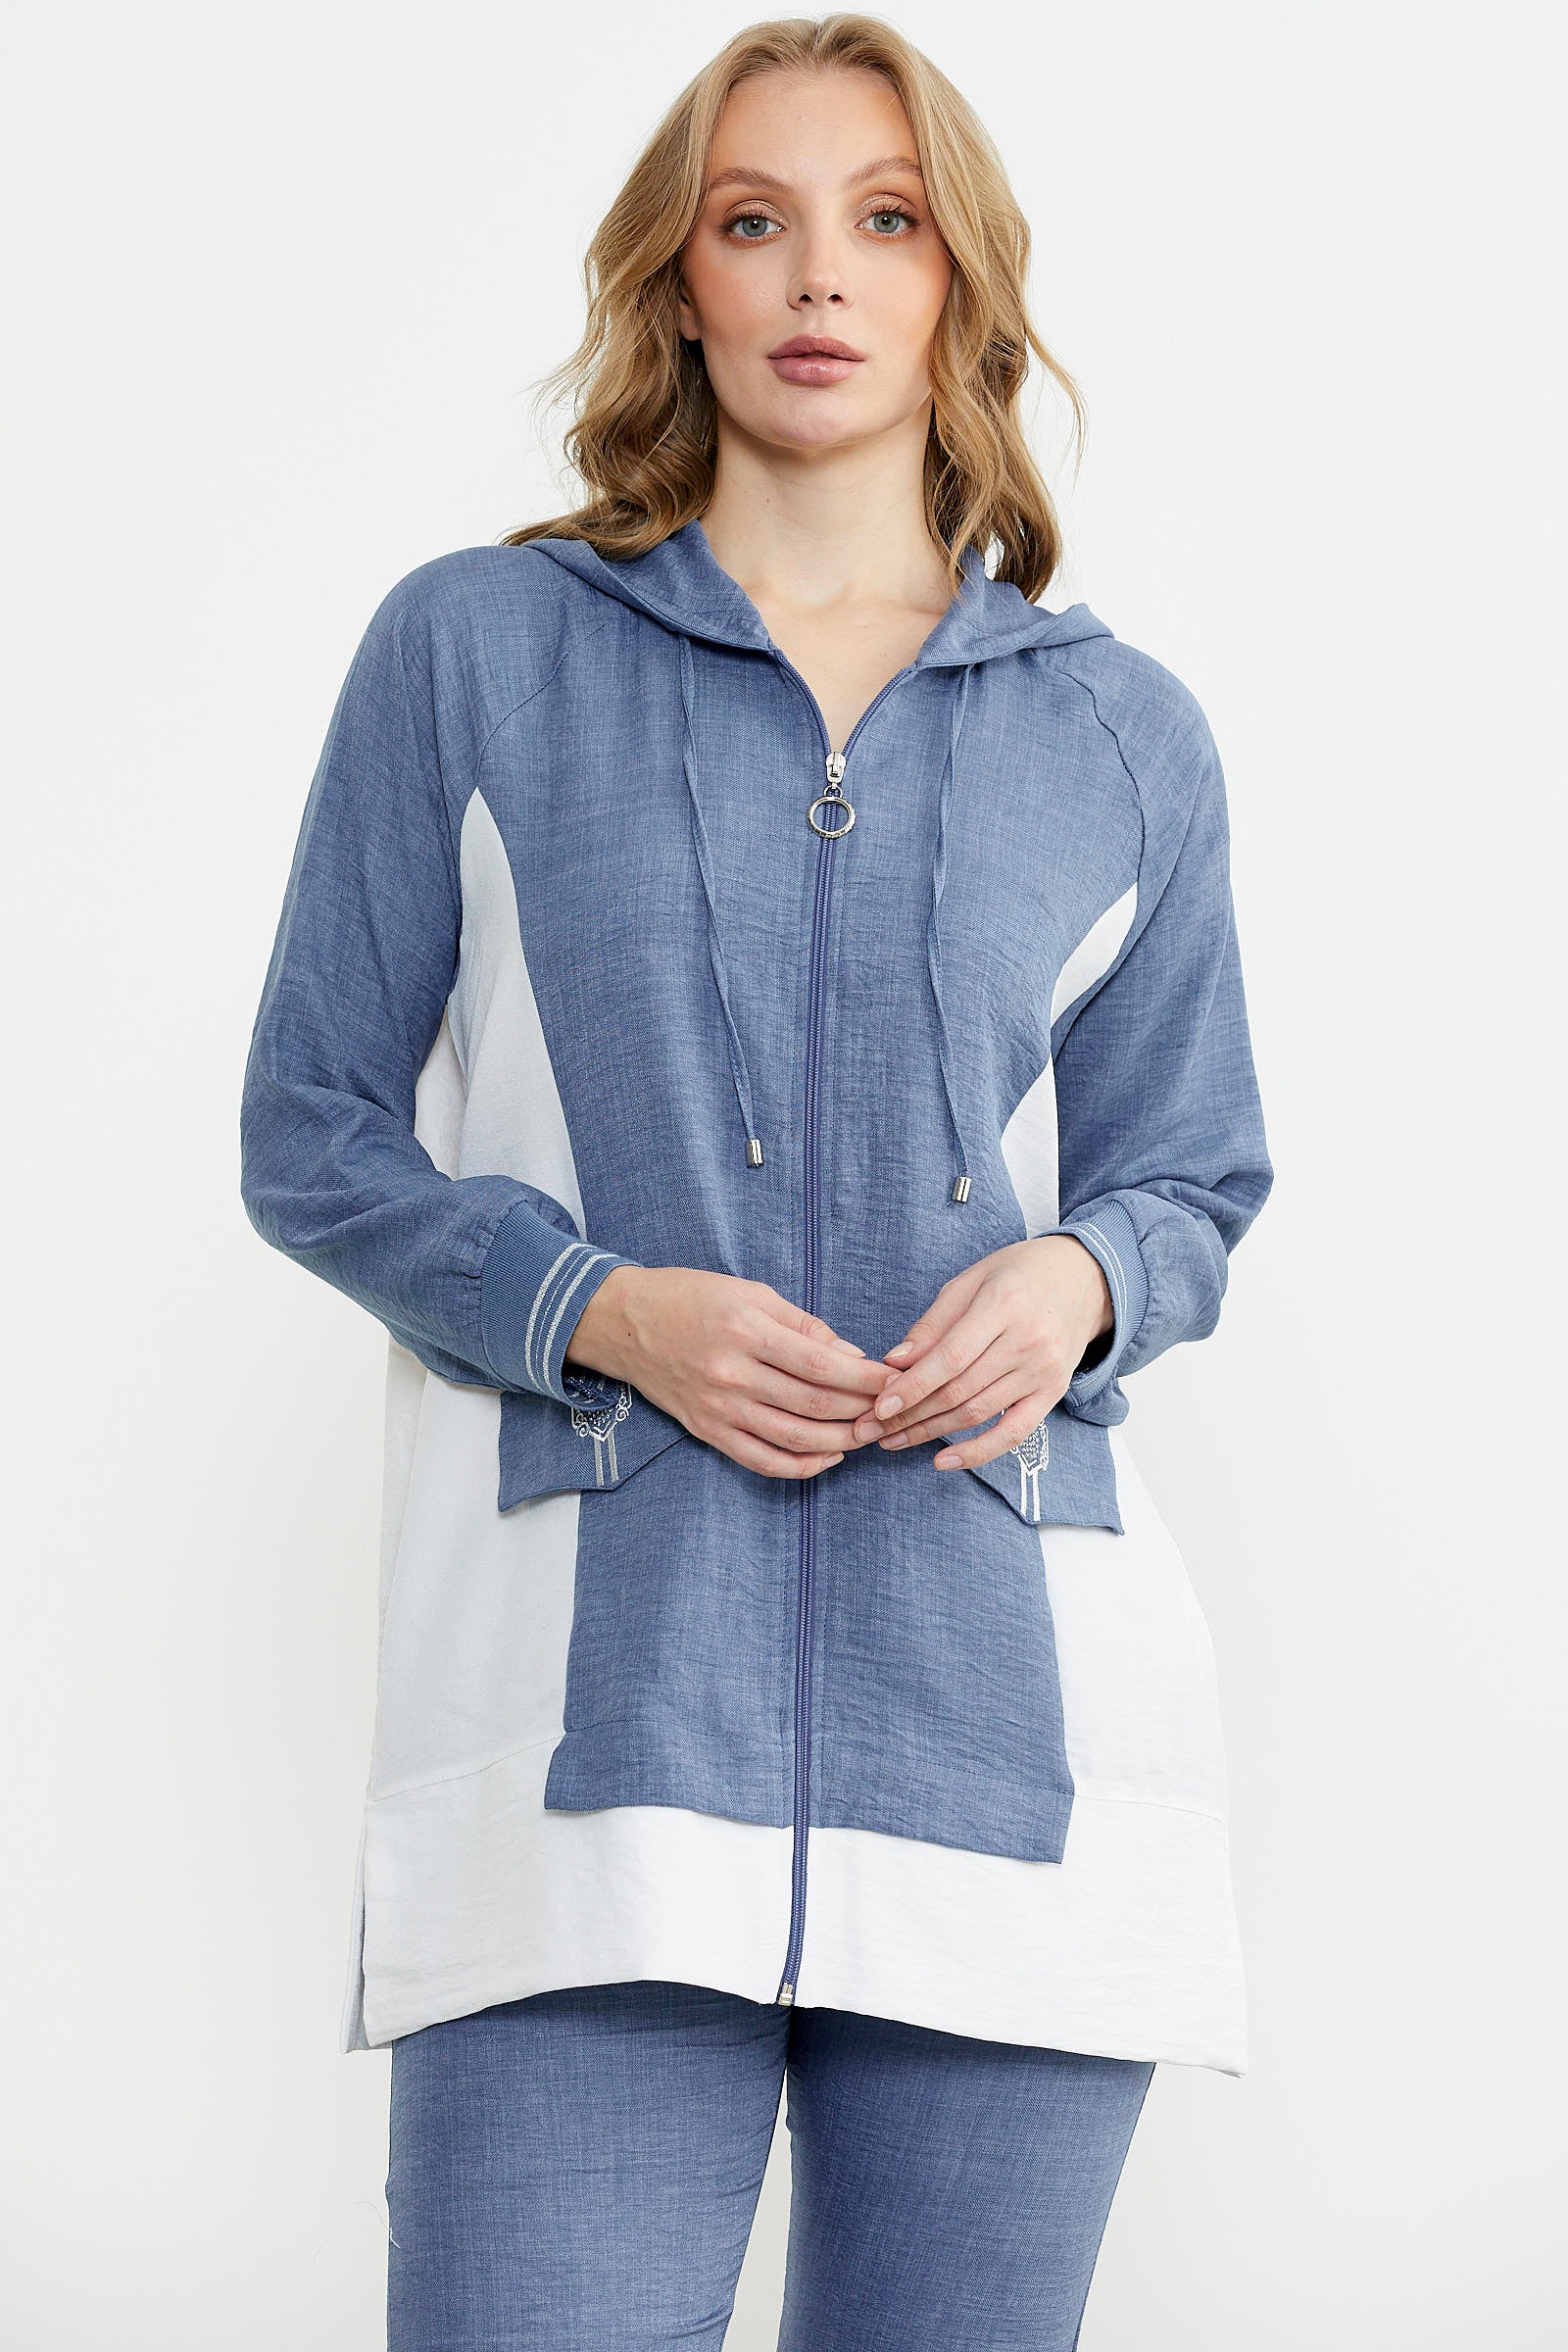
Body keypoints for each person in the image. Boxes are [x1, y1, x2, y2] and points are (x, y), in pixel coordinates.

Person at [239, 14, 1274, 2347]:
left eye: (882, 220)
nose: (818, 274)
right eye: (752, 220)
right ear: (675, 286)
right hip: (595, 1772)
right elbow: (310, 1125)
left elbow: (1193, 1173)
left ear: (955, 284)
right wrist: (599, 1309)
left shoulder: (1118, 734)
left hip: (1007, 1747)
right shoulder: (478, 653)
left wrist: (1077, 1285)